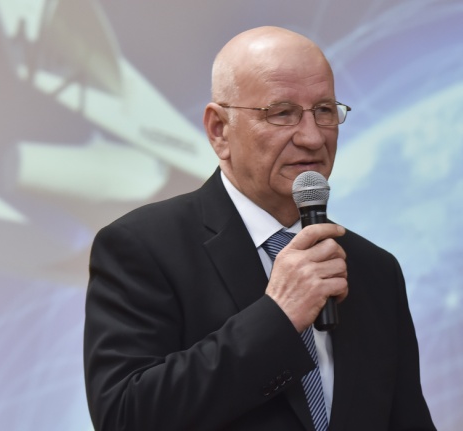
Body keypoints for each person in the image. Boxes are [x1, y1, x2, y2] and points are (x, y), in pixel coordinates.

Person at [84, 26, 437, 431]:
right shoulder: (143, 247)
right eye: (281, 113)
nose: (312, 137)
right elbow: (124, 416)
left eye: (324, 110)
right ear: (219, 130)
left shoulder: (373, 268)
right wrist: (277, 318)